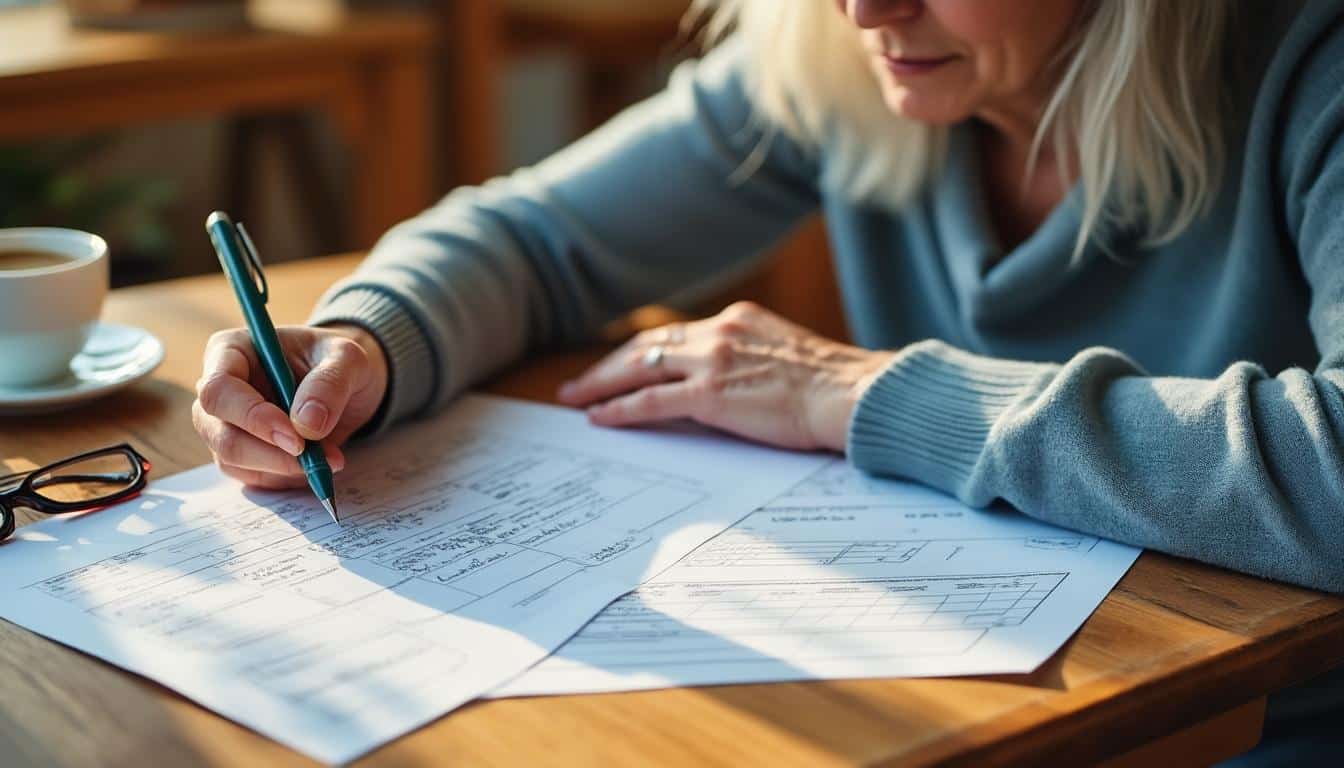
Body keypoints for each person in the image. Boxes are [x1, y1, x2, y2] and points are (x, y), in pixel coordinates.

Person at [192, 1, 1344, 762]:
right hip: (968, 719)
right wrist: (365, 344)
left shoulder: (1312, 65)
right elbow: (539, 240)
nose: (863, 8)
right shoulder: (840, 53)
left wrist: (863, 394)